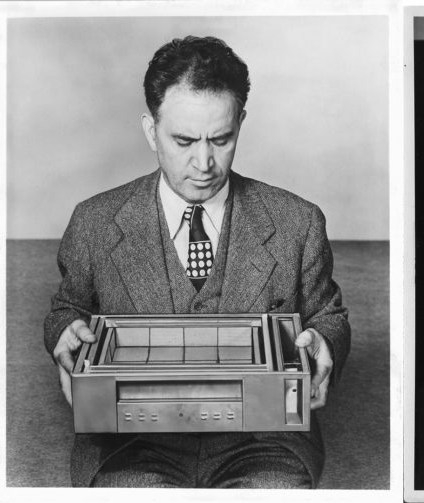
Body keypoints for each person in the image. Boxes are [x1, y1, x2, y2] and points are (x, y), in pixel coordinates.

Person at [44, 35, 350, 488]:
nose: (204, 162)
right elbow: (67, 309)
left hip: (264, 439)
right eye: (184, 140)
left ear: (241, 123)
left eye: (221, 139)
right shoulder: (94, 221)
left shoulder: (297, 222)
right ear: (151, 130)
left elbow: (327, 316)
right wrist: (62, 336)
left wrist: (326, 343)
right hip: (128, 438)